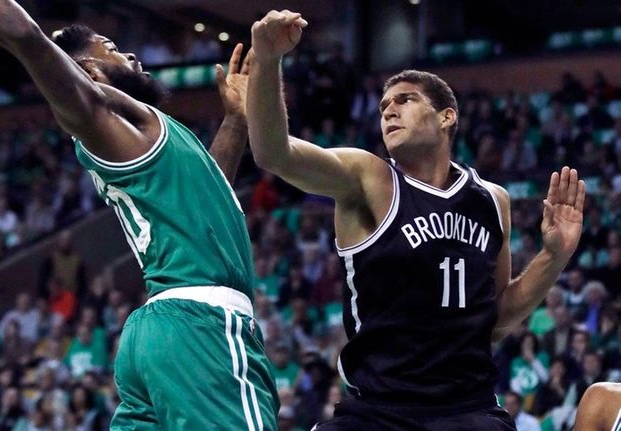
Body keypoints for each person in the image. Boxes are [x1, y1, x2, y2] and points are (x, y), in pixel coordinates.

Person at [246, 10, 586, 430]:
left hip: (468, 410)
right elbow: (273, 153)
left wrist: (554, 256)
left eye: (405, 100)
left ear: (447, 116)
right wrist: (267, 59)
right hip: (377, 410)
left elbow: (494, 322)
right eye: (384, 105)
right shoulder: (366, 177)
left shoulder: (492, 200)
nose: (388, 111)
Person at [0, 1, 278, 430]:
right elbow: (28, 38)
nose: (131, 55)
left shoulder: (145, 132)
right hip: (201, 325)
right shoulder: (98, 116)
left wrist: (235, 122)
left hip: (157, 333)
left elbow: (207, 194)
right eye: (112, 47)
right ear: (87, 71)